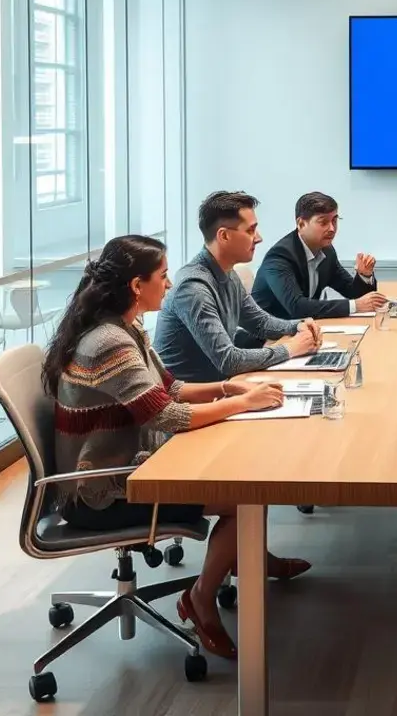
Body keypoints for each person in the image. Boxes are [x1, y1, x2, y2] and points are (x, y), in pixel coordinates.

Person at [42, 235, 312, 663]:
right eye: (163, 276)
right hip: (101, 494)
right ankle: (200, 598)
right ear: (137, 285)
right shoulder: (109, 342)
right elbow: (165, 416)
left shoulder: (124, 328)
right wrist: (241, 403)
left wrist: (229, 388)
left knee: (240, 472)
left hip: (131, 471)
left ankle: (245, 558)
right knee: (245, 498)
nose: (168, 285)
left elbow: (170, 389)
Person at [154, 191, 320, 384]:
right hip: (195, 401)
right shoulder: (193, 288)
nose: (258, 238)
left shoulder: (228, 272)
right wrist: (291, 348)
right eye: (250, 230)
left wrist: (297, 325)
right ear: (223, 236)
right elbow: (229, 360)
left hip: (223, 387)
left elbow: (260, 323)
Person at [252, 191, 388, 320]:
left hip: (300, 331)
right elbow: (297, 307)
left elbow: (354, 294)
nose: (332, 229)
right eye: (323, 222)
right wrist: (354, 305)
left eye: (334, 220)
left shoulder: (327, 251)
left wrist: (364, 276)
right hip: (265, 339)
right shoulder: (280, 257)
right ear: (301, 224)